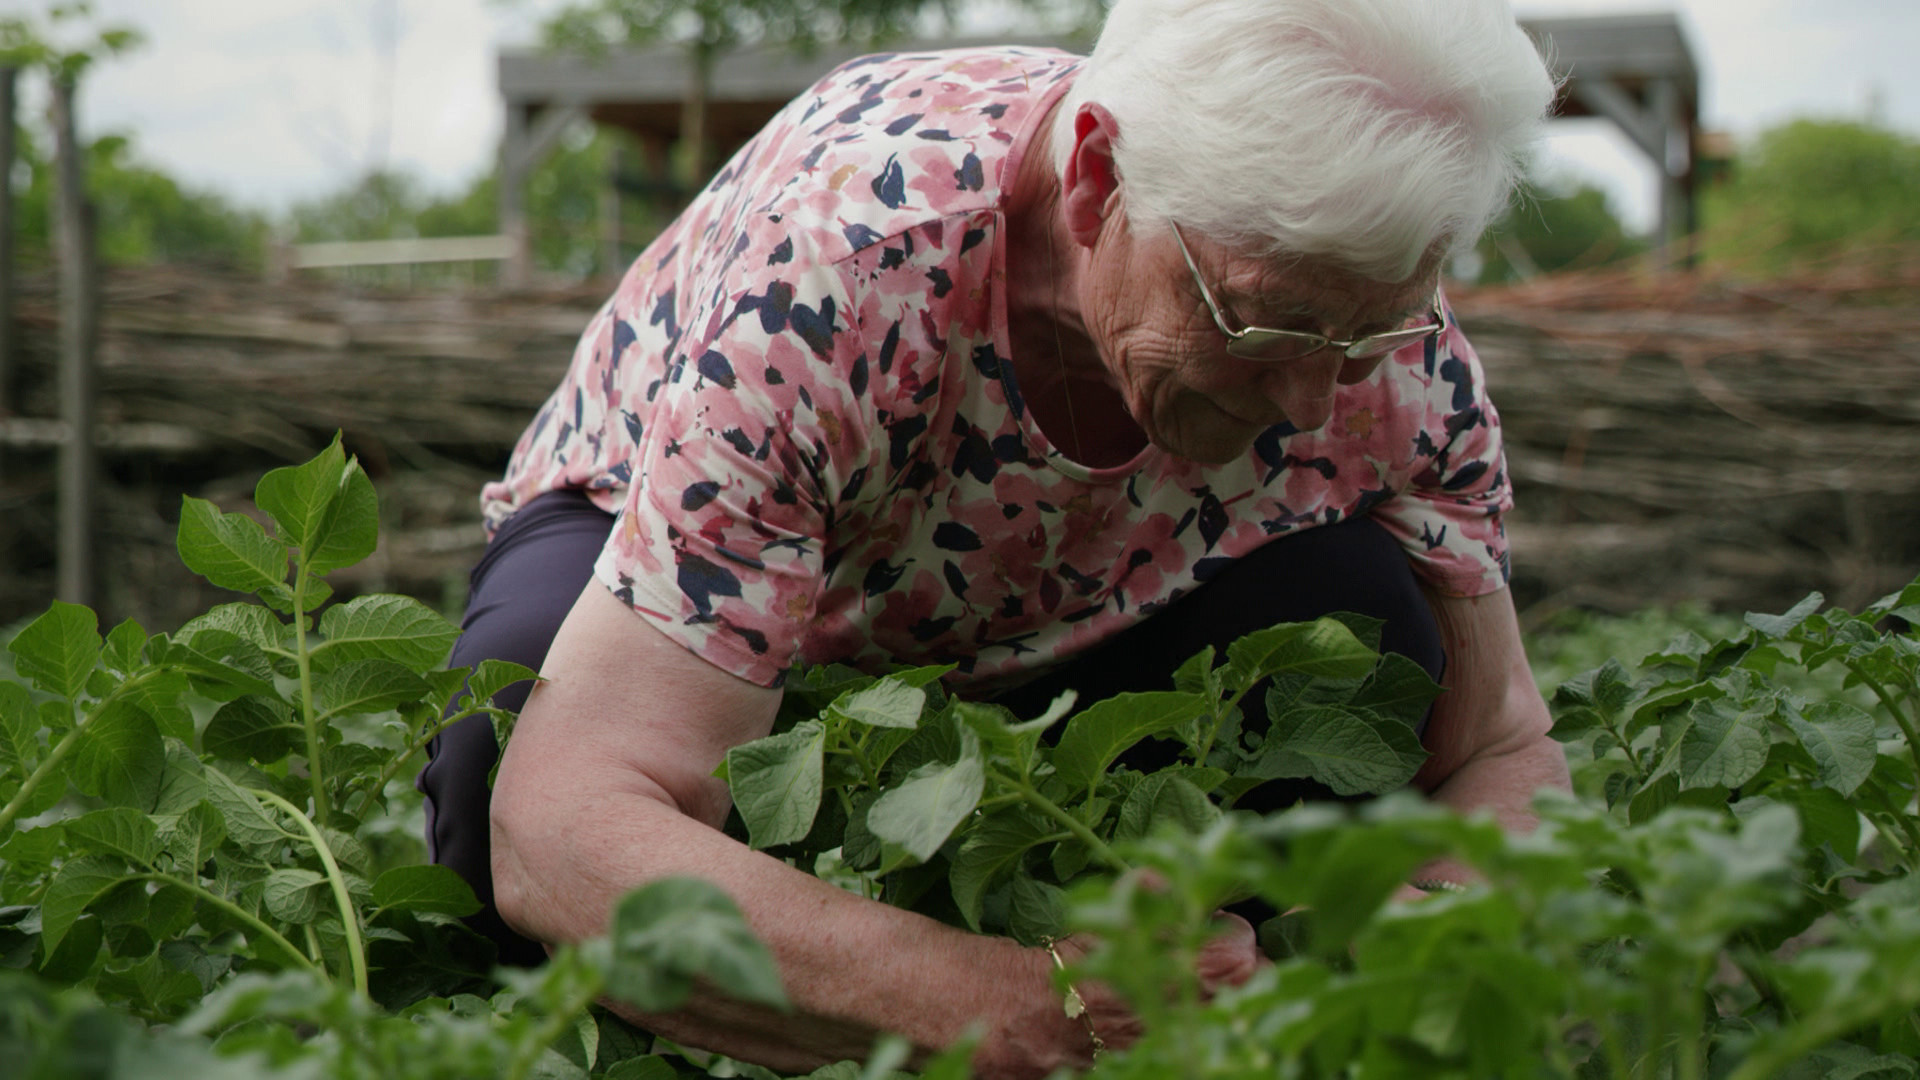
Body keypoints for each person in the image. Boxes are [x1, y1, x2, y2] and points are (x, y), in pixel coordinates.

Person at [418, 0, 1573, 1074]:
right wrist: (1008, 1003)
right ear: (1095, 181)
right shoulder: (846, 267)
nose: (1316, 400)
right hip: (693, 558)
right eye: (1264, 324)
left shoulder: (1386, 336)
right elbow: (563, 828)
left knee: (1364, 621)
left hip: (1078, 610)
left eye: (1366, 334)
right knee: (502, 752)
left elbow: (1500, 750)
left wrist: (1450, 928)